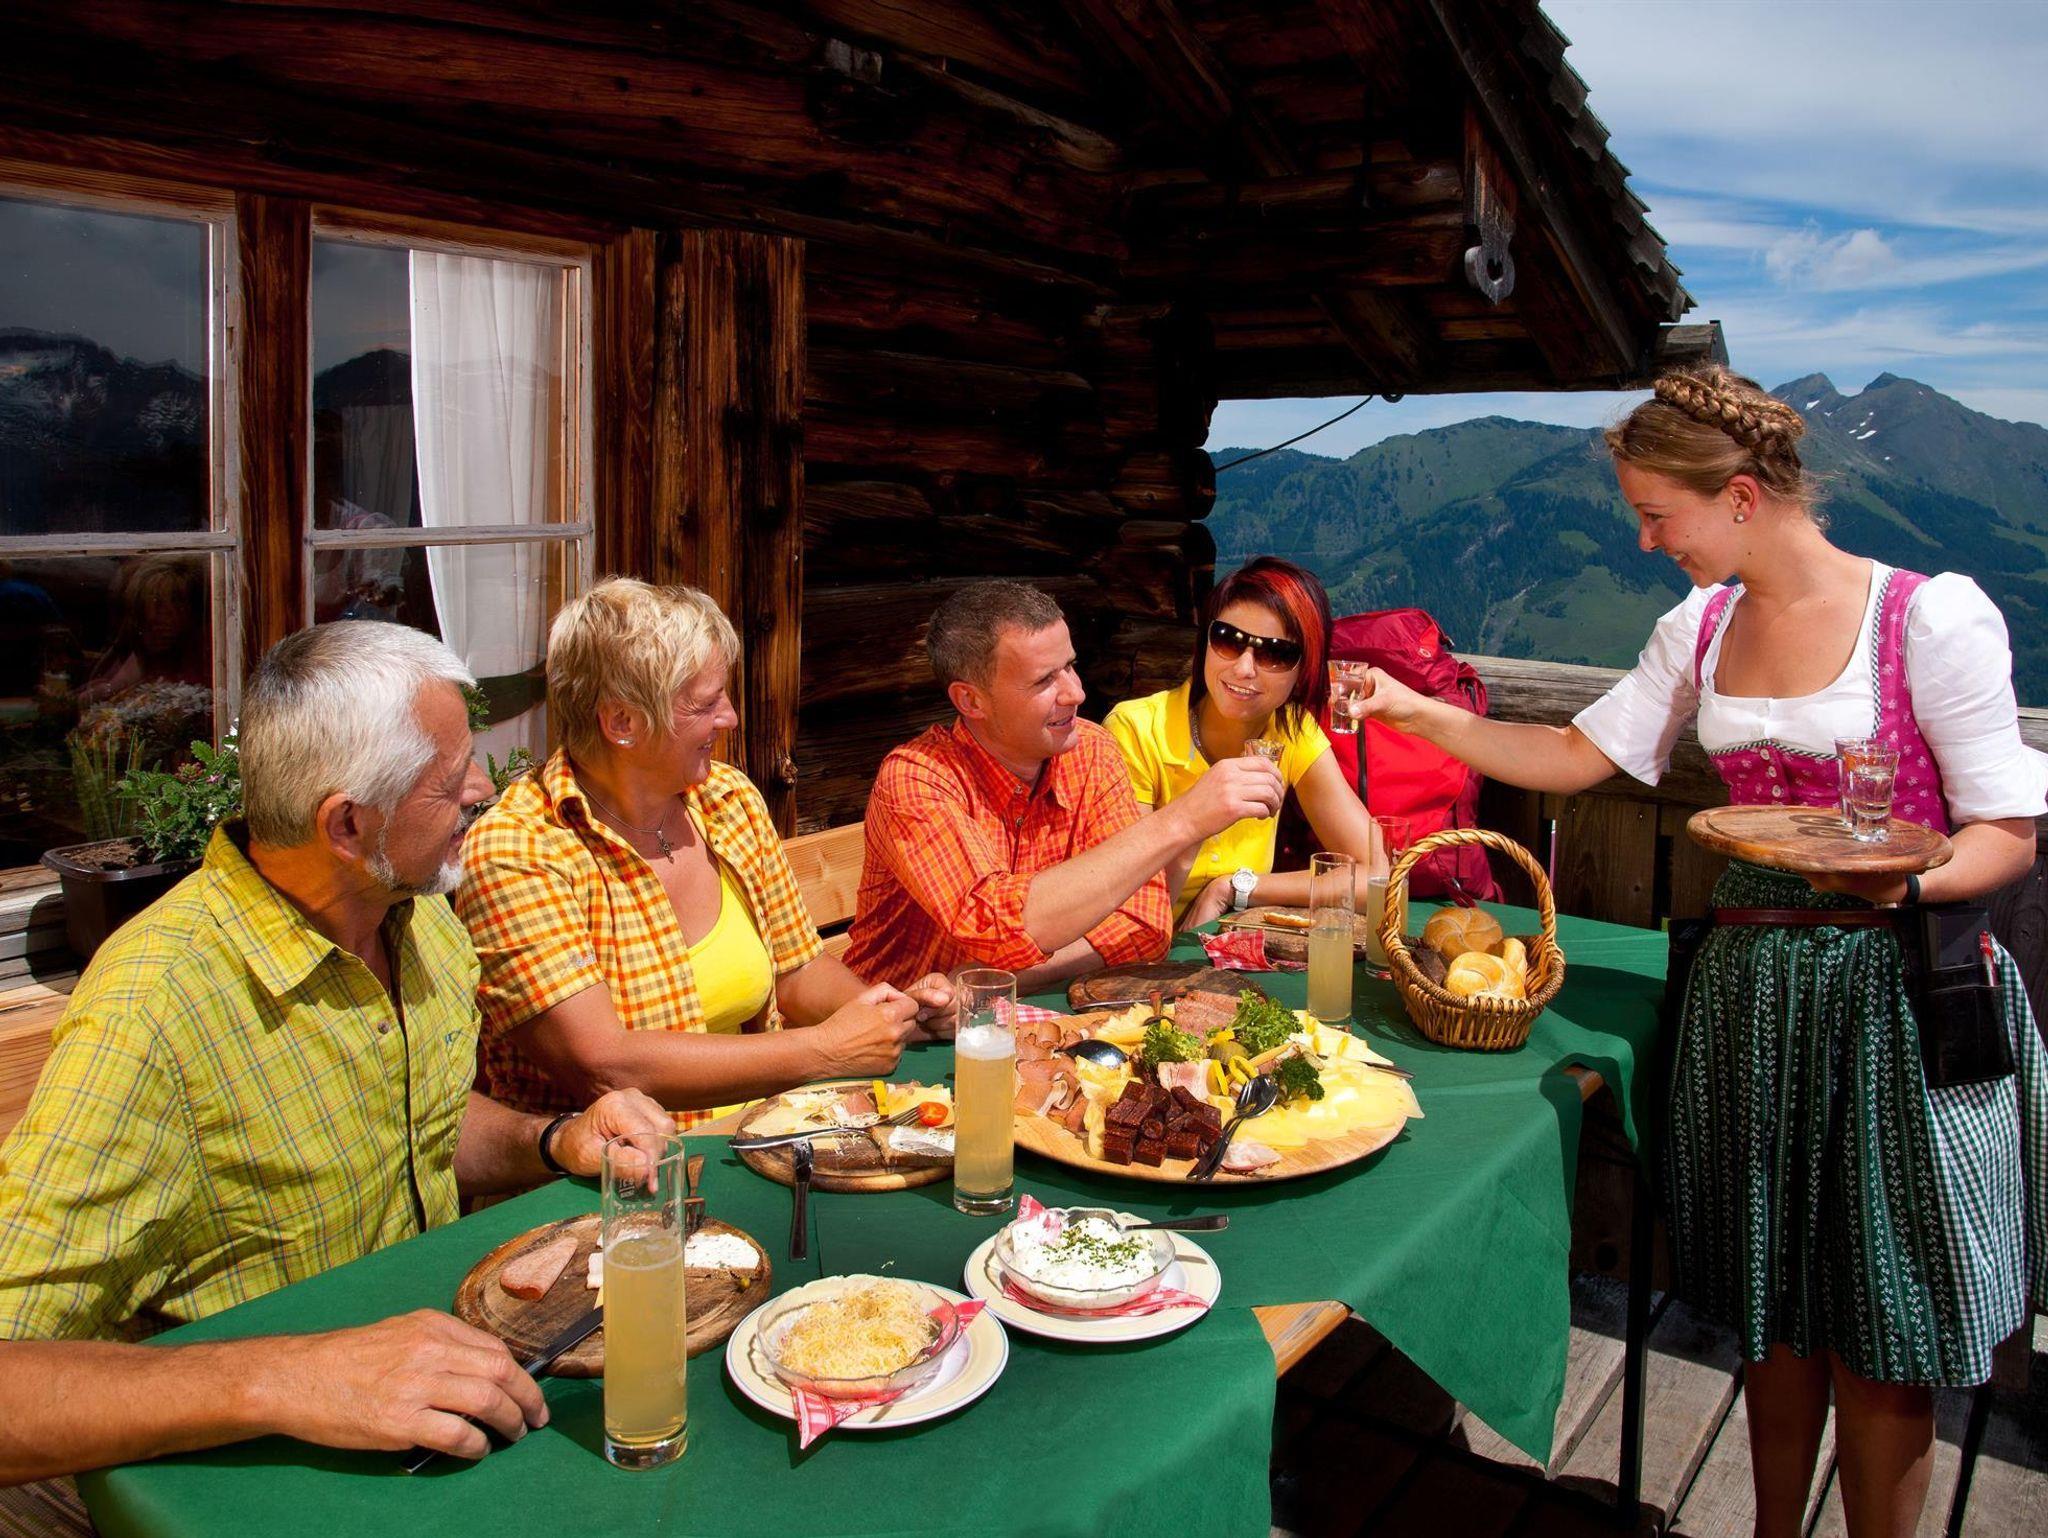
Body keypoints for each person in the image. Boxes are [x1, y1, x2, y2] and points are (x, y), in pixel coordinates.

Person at [1355, 366, 2048, 1538]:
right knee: (1770, 1306)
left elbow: (2005, 836)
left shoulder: (1927, 618)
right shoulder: (1701, 624)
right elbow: (1576, 758)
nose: (1642, 540)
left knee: (1882, 1321)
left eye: (1654, 513)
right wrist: (1414, 709)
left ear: (1737, 496)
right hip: (1750, 985)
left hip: (1895, 993)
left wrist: (1900, 882)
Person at [0, 621, 673, 1485]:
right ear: (348, 824)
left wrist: (551, 1140)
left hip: (444, 1417)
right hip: (263, 1485)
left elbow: (408, 1120)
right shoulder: (154, 1012)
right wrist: (287, 1375)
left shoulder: (416, 916)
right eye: (451, 779)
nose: (484, 788)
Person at [455, 579, 953, 1125]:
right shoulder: (520, 848)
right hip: (632, 1165)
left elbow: (797, 969)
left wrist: (888, 1013)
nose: (730, 717)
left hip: (762, 1134)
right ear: (622, 722)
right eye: (705, 703)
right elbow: (604, 1066)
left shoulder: (726, 799)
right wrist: (823, 1051)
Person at [843, 581, 1285, 991]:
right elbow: (995, 928)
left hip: (1013, 1015)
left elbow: (1145, 924)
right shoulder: (918, 778)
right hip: (897, 1030)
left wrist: (988, 985)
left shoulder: (1091, 750)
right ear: (970, 700)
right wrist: (1182, 820)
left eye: (1071, 666)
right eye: (1044, 680)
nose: (1075, 693)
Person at [1106, 556, 1384, 928]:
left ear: (1304, 670)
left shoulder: (1291, 732)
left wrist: (1237, 887)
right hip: (1144, 952)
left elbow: (1379, 876)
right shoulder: (1136, 731)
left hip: (1228, 951)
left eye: (1275, 653)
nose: (1243, 668)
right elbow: (1125, 914)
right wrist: (1193, 820)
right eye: (1228, 639)